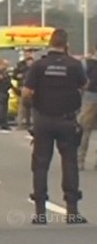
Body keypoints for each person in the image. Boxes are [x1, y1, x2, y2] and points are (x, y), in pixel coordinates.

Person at [21, 29, 88, 224]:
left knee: (41, 165)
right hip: (67, 120)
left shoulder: (39, 65)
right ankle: (72, 211)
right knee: (69, 164)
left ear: (50, 43)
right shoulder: (74, 65)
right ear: (66, 45)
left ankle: (40, 213)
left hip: (43, 120)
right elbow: (84, 87)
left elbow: (26, 92)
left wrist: (31, 110)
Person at [78, 43, 97, 170]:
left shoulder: (87, 63)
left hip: (89, 96)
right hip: (90, 96)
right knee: (85, 129)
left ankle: (80, 160)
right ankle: (80, 160)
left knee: (85, 129)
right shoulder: (88, 63)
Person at [15, 56, 35, 130]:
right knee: (22, 108)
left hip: (33, 91)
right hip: (24, 90)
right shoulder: (22, 69)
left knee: (32, 109)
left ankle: (31, 123)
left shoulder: (35, 70)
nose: (30, 63)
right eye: (29, 62)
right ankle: (21, 123)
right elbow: (15, 76)